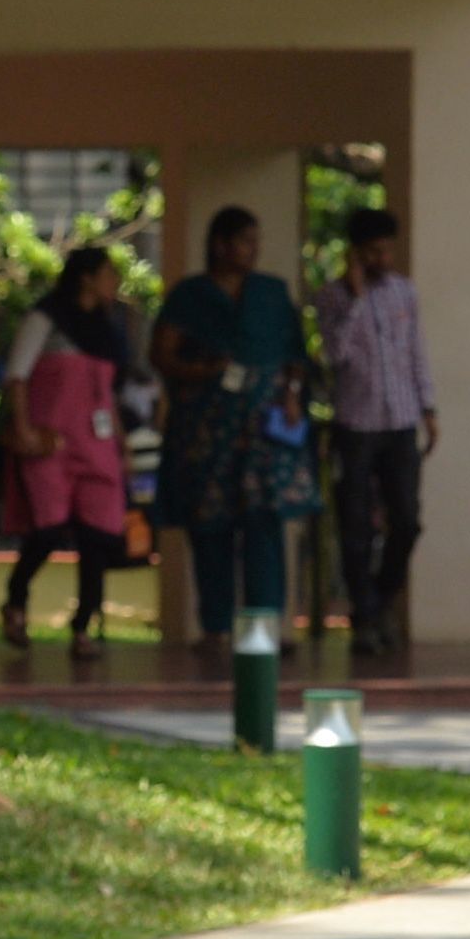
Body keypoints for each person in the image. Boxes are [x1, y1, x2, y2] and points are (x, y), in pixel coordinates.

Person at [151, 204, 315, 661]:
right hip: (208, 425)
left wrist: (291, 396)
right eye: (244, 241)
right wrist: (199, 370)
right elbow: (161, 353)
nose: (252, 251)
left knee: (265, 521)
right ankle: (216, 627)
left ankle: (268, 625)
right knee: (211, 525)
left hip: (264, 428)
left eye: (256, 242)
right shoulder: (190, 295)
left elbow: (295, 354)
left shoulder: (271, 292)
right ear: (221, 245)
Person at [312, 206, 438, 657]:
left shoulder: (405, 293)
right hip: (356, 423)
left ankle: (382, 598)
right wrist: (354, 296)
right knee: (355, 524)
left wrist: (429, 407)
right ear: (356, 252)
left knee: (406, 519)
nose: (382, 258)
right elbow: (334, 355)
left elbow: (416, 352)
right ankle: (363, 615)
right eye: (373, 251)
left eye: (387, 250)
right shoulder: (331, 298)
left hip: (401, 420)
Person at [0, 245, 132, 660]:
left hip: (96, 444)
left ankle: (83, 628)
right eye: (109, 273)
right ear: (87, 277)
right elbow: (16, 376)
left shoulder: (108, 331)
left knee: (97, 536)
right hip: (50, 442)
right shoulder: (45, 319)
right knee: (48, 529)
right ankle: (16, 599)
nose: (116, 282)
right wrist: (23, 432)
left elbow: (108, 396)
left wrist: (120, 445)